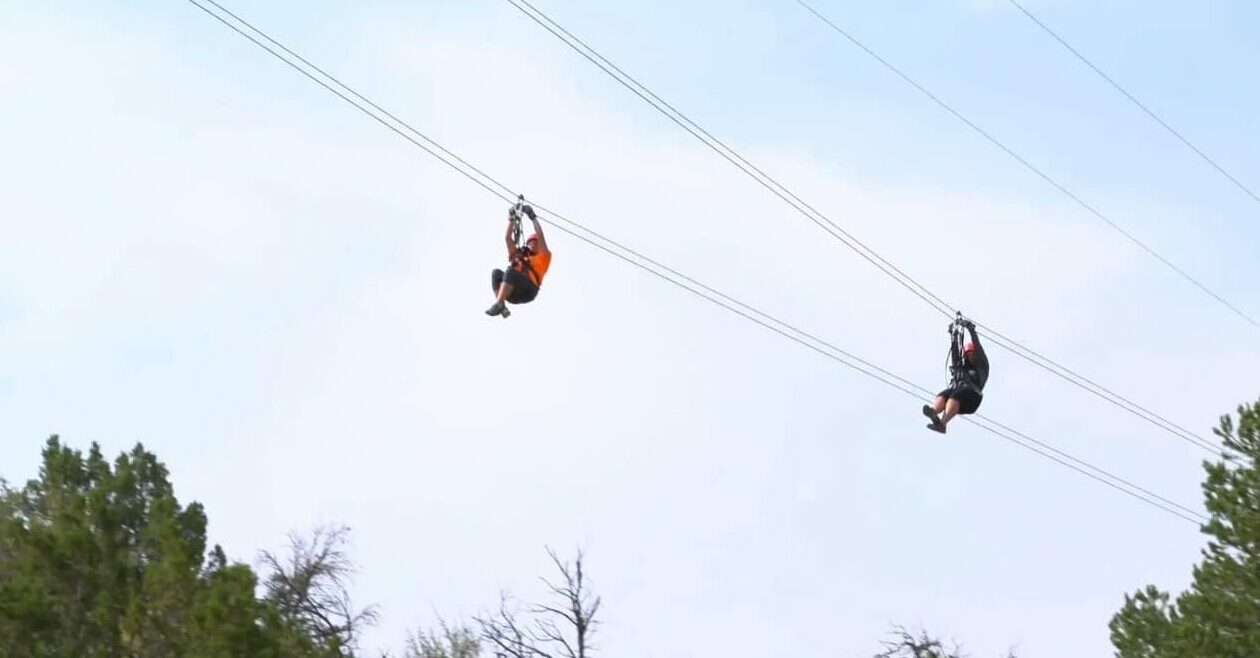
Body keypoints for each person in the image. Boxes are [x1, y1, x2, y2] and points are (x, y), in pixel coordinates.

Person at [923, 318, 989, 434]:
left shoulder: (982, 366)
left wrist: (971, 330)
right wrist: (953, 335)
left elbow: (978, 347)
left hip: (973, 397)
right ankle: (934, 412)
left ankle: (943, 423)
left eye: (972, 353)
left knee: (956, 394)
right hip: (960, 398)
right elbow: (955, 355)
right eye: (968, 354)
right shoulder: (961, 367)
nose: (970, 355)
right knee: (945, 393)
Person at [486, 204, 551, 318]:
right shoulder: (520, 255)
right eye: (529, 242)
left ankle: (500, 303)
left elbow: (540, 235)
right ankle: (502, 306)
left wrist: (532, 217)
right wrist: (511, 219)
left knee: (511, 272)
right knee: (496, 273)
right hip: (512, 292)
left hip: (529, 289)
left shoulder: (544, 256)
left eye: (534, 242)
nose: (531, 244)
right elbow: (507, 238)